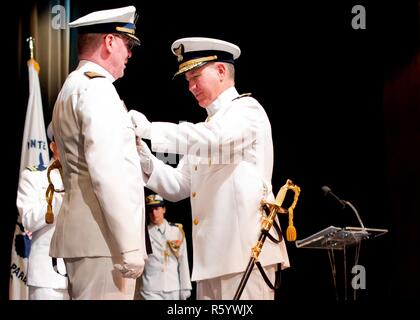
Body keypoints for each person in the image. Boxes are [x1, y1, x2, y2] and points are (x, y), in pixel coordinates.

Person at [129, 37, 290, 300]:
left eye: (195, 76)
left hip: (246, 253)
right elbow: (179, 185)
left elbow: (214, 139)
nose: (191, 87)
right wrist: (142, 156)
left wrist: (150, 129)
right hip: (210, 260)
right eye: (187, 81)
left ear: (221, 71)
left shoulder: (247, 110)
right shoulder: (207, 127)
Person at [49, 6, 147, 300]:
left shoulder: (73, 85)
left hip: (90, 239)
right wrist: (128, 245)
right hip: (104, 241)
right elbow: (108, 172)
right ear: (109, 42)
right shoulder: (98, 89)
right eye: (127, 45)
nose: (129, 54)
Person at [17, 123, 69, 300]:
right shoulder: (34, 176)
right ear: (53, 146)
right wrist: (61, 198)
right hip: (48, 278)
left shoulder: (87, 179)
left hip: (83, 275)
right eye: (64, 143)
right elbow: (28, 220)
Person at [136, 194, 192, 300]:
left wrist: (185, 287)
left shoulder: (176, 231)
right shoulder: (143, 233)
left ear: (164, 209)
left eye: (157, 209)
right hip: (150, 288)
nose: (154, 213)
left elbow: (183, 260)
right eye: (150, 210)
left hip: (173, 286)